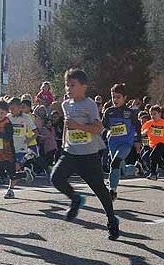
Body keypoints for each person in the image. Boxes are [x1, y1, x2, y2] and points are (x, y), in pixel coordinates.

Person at [51, 68, 120, 241]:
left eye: (72, 85)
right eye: (67, 85)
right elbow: (68, 125)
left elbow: (98, 128)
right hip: (71, 152)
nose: (68, 89)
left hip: (88, 155)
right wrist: (63, 143)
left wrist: (78, 126)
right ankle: (75, 199)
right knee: (55, 178)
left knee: (100, 190)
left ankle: (112, 220)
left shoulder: (89, 104)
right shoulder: (66, 104)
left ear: (84, 86)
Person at [101, 83, 140, 198]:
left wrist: (137, 141)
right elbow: (104, 126)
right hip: (113, 143)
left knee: (115, 163)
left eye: (118, 97)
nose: (115, 100)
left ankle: (112, 190)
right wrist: (104, 133)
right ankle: (136, 168)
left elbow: (137, 127)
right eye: (113, 97)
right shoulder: (108, 112)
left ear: (125, 98)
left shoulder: (130, 113)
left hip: (125, 144)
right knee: (119, 169)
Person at [140, 105, 164, 180]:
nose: (143, 122)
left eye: (154, 114)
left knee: (152, 156)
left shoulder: (162, 122)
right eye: (141, 121)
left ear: (159, 114)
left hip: (161, 143)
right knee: (147, 157)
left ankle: (153, 173)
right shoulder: (148, 124)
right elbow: (143, 132)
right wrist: (142, 134)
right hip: (149, 145)